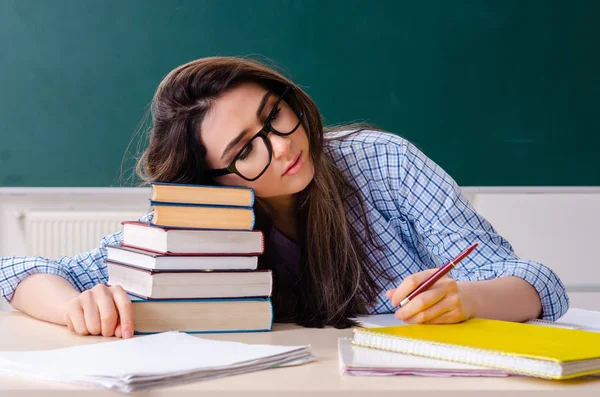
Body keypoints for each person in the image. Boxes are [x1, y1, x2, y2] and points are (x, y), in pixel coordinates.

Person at [0, 57, 568, 338]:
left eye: (275, 114)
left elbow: (535, 281)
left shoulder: (381, 161)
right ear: (213, 179)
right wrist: (74, 307)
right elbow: (20, 270)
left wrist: (467, 299)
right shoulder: (193, 219)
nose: (284, 146)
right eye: (246, 149)